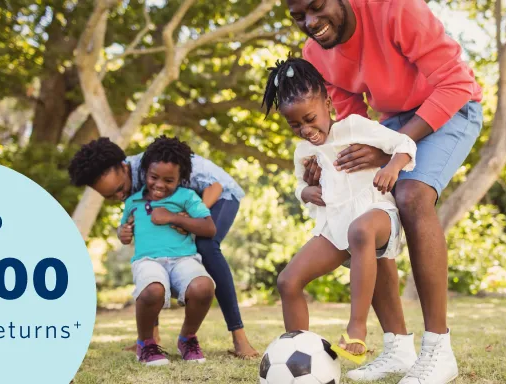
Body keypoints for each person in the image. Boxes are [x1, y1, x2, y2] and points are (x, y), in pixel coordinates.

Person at [285, 0, 483, 382]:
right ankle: (398, 347)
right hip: (389, 124)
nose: (310, 22)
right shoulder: (316, 54)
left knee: (411, 196)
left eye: (316, 6)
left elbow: (456, 83)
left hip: (449, 108)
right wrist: (324, 165)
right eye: (298, 16)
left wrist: (388, 148)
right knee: (361, 213)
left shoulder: (397, 9)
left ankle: (438, 348)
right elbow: (344, 116)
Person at [262, 58, 417, 365]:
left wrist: (391, 167)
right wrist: (306, 191)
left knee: (360, 229)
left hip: (377, 214)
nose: (305, 130)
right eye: (295, 125)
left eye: (309, 118)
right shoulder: (302, 151)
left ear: (328, 103)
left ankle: (356, 328)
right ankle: (297, 359)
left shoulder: (355, 127)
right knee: (287, 281)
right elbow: (298, 186)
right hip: (335, 228)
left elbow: (406, 144)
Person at [68, 137, 259, 358]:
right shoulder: (133, 185)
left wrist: (184, 217)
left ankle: (239, 338)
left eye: (120, 189)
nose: (120, 197)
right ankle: (152, 337)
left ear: (123, 167)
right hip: (186, 207)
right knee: (153, 254)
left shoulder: (160, 161)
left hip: (219, 196)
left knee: (206, 247)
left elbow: (213, 187)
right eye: (109, 196)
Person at [118, 136, 217, 365]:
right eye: (154, 177)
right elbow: (124, 229)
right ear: (144, 173)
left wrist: (172, 217)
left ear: (181, 179)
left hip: (184, 258)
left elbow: (209, 228)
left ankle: (187, 338)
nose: (160, 185)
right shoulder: (133, 201)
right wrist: (122, 233)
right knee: (152, 289)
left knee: (204, 287)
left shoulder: (187, 197)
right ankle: (146, 344)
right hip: (147, 260)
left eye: (169, 180)